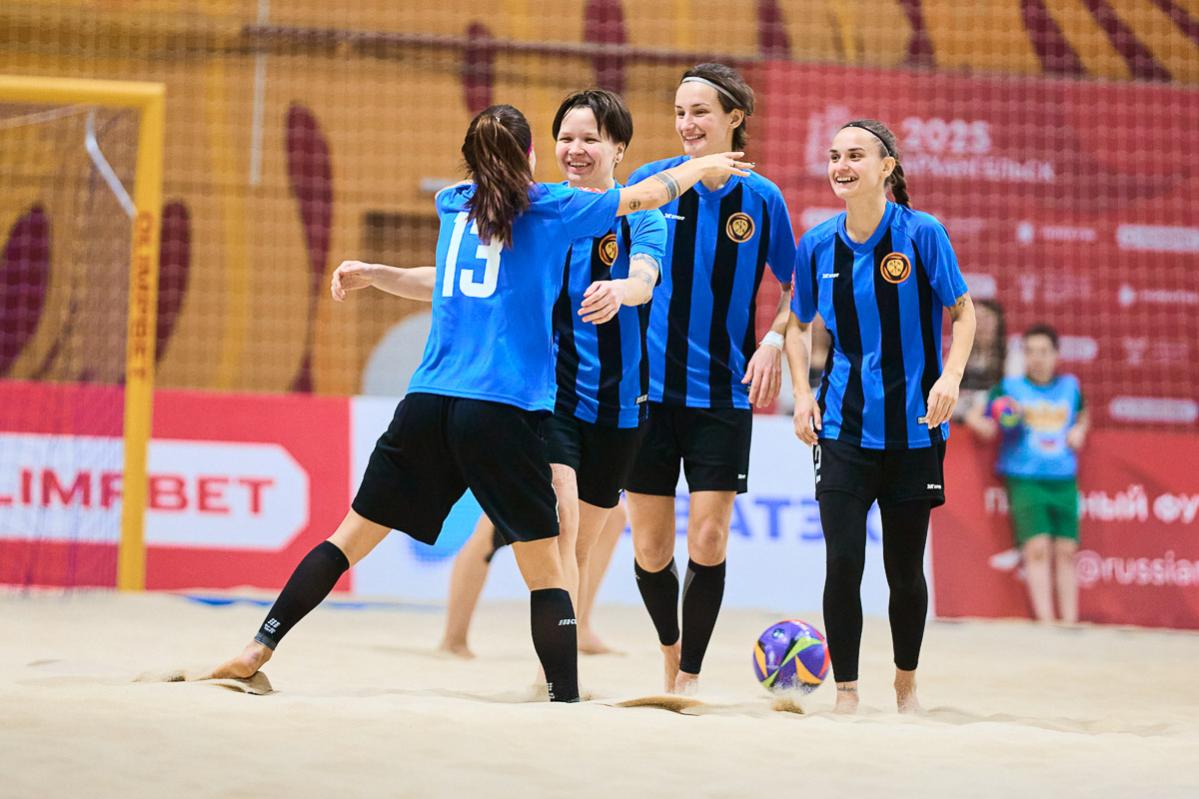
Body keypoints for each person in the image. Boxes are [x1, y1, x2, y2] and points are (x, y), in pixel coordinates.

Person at [206, 103, 751, 703]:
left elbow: (453, 277)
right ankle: (564, 698)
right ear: (532, 156)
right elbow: (648, 196)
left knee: (348, 539)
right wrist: (702, 167)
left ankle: (258, 646)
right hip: (504, 407)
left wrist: (377, 272)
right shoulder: (553, 205)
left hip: (427, 401)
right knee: (548, 568)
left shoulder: (453, 204)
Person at [434, 88, 665, 659]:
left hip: (618, 404)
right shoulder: (537, 209)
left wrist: (624, 289)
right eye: (565, 138)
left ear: (619, 148)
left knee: (581, 538)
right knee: (550, 528)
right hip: (545, 396)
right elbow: (470, 275)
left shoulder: (642, 217)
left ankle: (567, 638)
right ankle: (489, 648)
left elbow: (645, 278)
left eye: (590, 139)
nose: (575, 149)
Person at [785, 119, 976, 714]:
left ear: (886, 167)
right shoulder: (817, 244)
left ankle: (905, 687)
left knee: (904, 570)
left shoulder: (922, 234)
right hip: (842, 428)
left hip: (915, 430)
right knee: (843, 562)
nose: (841, 166)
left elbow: (964, 313)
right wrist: (802, 393)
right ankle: (846, 693)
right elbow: (796, 325)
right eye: (834, 156)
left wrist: (950, 377)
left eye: (855, 155)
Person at [623, 63, 798, 694]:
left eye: (700, 111)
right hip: (645, 394)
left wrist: (774, 339)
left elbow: (799, 286)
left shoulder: (763, 199)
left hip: (722, 395)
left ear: (734, 118)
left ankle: (689, 678)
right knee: (650, 549)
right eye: (680, 112)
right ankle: (670, 656)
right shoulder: (650, 184)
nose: (687, 124)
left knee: (710, 535)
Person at [965, 323, 1087, 625]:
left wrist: (1080, 429)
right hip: (1026, 477)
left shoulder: (1070, 387)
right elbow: (977, 414)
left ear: (1056, 354)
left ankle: (1070, 623)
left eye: (1043, 351)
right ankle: (1047, 623)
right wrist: (984, 426)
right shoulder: (1009, 389)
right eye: (1030, 351)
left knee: (1067, 550)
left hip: (1064, 476)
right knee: (1037, 548)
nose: (1037, 358)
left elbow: (1083, 415)